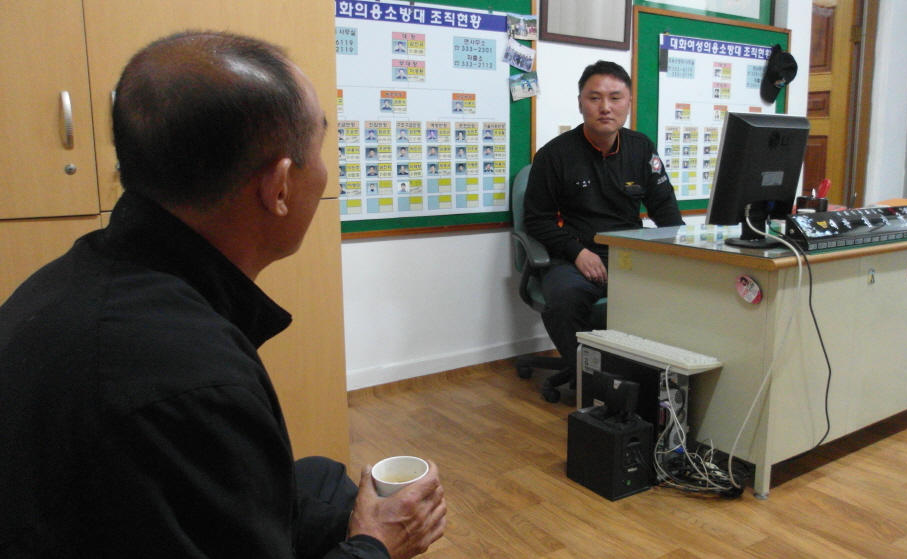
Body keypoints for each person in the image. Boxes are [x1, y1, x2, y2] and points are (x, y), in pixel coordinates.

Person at [0, 31, 446, 558]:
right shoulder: (192, 379)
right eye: (322, 150)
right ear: (279, 187)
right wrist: (378, 542)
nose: (328, 173)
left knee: (323, 482)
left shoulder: (77, 278)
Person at [523, 60, 683, 392]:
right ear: (580, 103)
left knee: (683, 290)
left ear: (629, 103)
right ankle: (598, 387)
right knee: (565, 303)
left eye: (615, 97)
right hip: (573, 257)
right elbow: (536, 220)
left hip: (627, 255)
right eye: (594, 98)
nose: (605, 107)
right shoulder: (554, 155)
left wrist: (684, 252)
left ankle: (654, 382)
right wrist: (577, 252)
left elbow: (665, 209)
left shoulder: (641, 148)